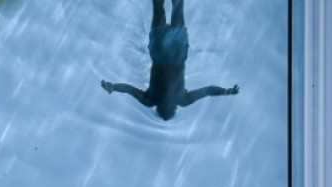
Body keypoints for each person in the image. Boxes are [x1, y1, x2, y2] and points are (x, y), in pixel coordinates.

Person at [101, 0, 239, 121]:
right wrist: (113, 87)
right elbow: (207, 91)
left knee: (173, 6)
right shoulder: (162, 100)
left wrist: (113, 87)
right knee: (166, 6)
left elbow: (128, 90)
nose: (166, 116)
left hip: (172, 52)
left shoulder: (164, 100)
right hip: (166, 52)